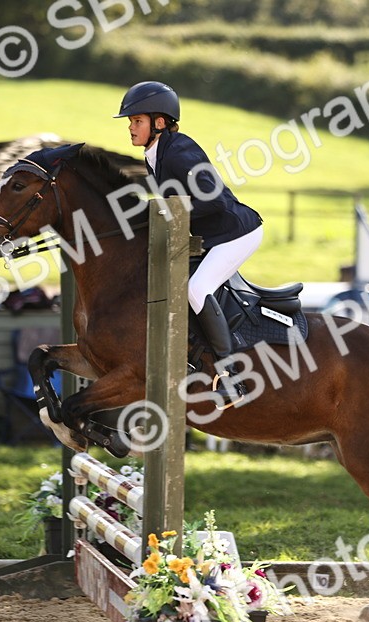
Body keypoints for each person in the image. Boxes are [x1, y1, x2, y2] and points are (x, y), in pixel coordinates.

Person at [116, 80, 264, 404]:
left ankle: (232, 377)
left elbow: (215, 202)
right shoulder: (154, 155)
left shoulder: (180, 152)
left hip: (236, 233)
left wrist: (168, 217)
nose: (130, 128)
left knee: (197, 289)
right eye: (130, 122)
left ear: (159, 122)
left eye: (136, 121)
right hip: (213, 235)